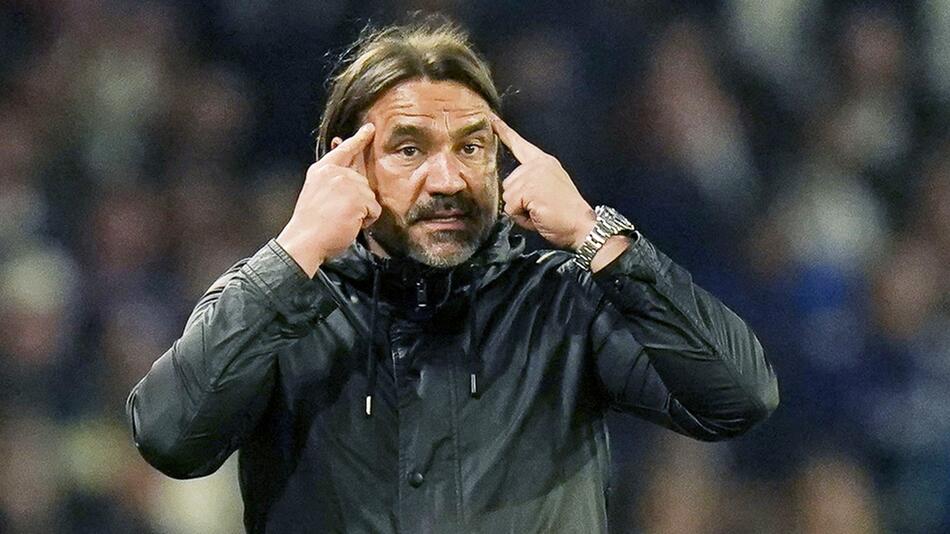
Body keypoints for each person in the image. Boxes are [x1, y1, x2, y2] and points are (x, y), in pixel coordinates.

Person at [126, 19, 778, 534]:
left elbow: (739, 396)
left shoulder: (565, 300)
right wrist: (294, 250)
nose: (447, 179)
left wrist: (594, 234)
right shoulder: (279, 302)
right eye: (409, 148)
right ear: (346, 166)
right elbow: (169, 438)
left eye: (471, 147)